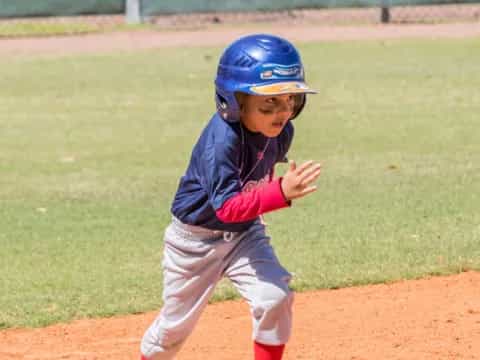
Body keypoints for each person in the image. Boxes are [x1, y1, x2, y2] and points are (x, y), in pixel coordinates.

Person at [140, 33, 321, 360]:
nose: (282, 111)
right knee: (173, 330)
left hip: (246, 234)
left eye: (290, 99)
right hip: (193, 243)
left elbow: (250, 187)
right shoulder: (221, 142)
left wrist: (271, 193)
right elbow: (226, 208)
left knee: (274, 298)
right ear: (234, 102)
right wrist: (279, 191)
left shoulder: (283, 132)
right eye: (269, 102)